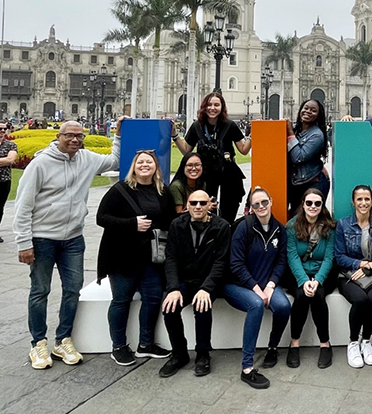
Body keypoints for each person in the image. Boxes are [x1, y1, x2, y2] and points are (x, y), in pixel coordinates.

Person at [15, 119, 123, 370]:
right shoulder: (40, 164)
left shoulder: (86, 158)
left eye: (79, 136)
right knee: (40, 291)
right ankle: (38, 342)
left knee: (73, 289)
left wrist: (117, 134)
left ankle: (62, 339)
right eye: (69, 135)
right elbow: (23, 206)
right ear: (59, 136)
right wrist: (23, 242)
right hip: (42, 237)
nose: (75, 140)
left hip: (73, 238)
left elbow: (114, 161)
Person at [96, 150, 176, 366]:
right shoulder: (119, 190)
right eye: (140, 161)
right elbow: (101, 218)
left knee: (152, 299)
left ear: (155, 167)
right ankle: (119, 346)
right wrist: (132, 224)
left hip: (151, 258)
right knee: (122, 301)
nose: (144, 165)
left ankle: (145, 344)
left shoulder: (162, 192)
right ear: (134, 166)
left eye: (149, 162)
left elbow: (170, 221)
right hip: (122, 257)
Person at [223, 187, 290, 390]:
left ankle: (272, 347)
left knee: (284, 306)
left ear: (270, 201)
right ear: (251, 208)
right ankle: (247, 367)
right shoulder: (244, 228)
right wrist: (256, 289)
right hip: (237, 285)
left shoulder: (280, 229)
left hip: (266, 284)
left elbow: (281, 262)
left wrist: (270, 285)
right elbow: (235, 264)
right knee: (256, 305)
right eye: (256, 204)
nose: (261, 207)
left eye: (264, 202)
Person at [159, 190, 231, 378]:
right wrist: (173, 288)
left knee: (202, 306)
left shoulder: (222, 226)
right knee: (169, 307)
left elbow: (221, 262)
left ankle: (203, 353)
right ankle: (179, 353)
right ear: (187, 206)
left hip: (208, 281)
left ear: (209, 205)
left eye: (202, 203)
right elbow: (171, 258)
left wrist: (206, 288)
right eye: (193, 203)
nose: (198, 206)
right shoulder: (177, 225)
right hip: (184, 280)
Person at [172, 93, 251, 224]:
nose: (212, 108)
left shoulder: (229, 125)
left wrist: (253, 136)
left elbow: (243, 149)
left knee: (228, 210)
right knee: (207, 209)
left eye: (216, 105)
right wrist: (175, 135)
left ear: (222, 107)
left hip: (228, 172)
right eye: (209, 105)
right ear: (204, 107)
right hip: (207, 174)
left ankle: (226, 232)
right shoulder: (197, 126)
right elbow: (186, 150)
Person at [334, 185, 372, 368]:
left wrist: (368, 268)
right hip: (347, 276)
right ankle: (353, 343)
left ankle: (366, 341)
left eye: (367, 199)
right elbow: (339, 256)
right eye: (359, 199)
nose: (363, 203)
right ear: (353, 202)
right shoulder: (343, 224)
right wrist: (363, 264)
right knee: (360, 299)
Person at [286, 189, 336, 369]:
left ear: (322, 206)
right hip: (298, 274)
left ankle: (325, 344)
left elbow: (329, 257)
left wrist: (317, 280)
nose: (313, 207)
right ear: (303, 204)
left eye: (317, 203)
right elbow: (292, 256)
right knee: (301, 296)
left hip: (322, 274)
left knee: (317, 296)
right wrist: (303, 280)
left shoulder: (329, 227)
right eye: (309, 203)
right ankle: (294, 343)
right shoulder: (291, 227)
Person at [286, 99, 330, 217]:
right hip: (296, 182)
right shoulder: (297, 129)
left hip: (313, 182)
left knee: (310, 217)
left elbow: (298, 157)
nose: (308, 111)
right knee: (295, 218)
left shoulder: (317, 135)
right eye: (306, 108)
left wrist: (290, 133)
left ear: (318, 115)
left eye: (313, 110)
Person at [0, 121, 17, 242]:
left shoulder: (11, 145)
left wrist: (6, 160)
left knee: (0, 207)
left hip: (3, 181)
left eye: (4, 129)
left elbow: (10, 160)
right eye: (0, 129)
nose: (2, 131)